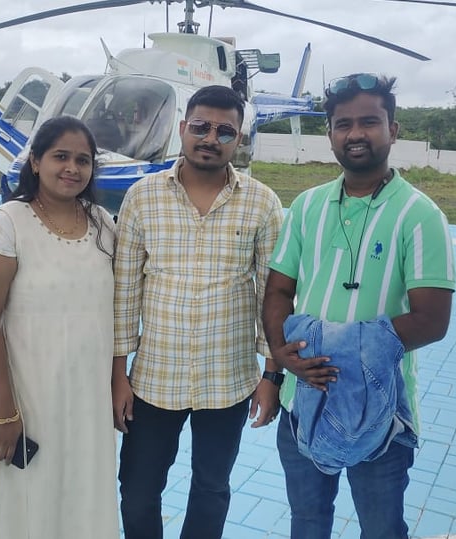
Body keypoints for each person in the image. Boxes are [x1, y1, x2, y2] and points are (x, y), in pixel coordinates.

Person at [262, 73, 456, 539]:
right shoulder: (306, 207)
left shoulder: (420, 215)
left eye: (369, 121)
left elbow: (432, 320)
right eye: (343, 124)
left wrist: (346, 352)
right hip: (303, 400)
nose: (355, 133)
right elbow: (277, 292)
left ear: (393, 129)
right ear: (329, 133)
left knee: (381, 529)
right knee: (308, 524)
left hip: (381, 411)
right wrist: (282, 356)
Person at [111, 85, 284, 539]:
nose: (210, 138)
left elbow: (273, 295)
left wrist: (272, 375)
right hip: (153, 379)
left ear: (238, 138)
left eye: (224, 131)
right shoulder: (142, 197)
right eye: (201, 127)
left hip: (228, 381)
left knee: (211, 488)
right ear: (183, 128)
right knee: (137, 489)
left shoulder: (263, 202)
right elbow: (124, 292)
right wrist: (117, 375)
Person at [0, 116, 119, 539]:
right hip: (24, 398)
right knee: (26, 503)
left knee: (82, 497)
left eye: (83, 160)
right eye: (60, 156)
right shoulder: (5, 224)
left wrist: (116, 383)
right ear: (35, 161)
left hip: (86, 399)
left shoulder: (102, 224)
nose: (72, 168)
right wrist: (4, 412)